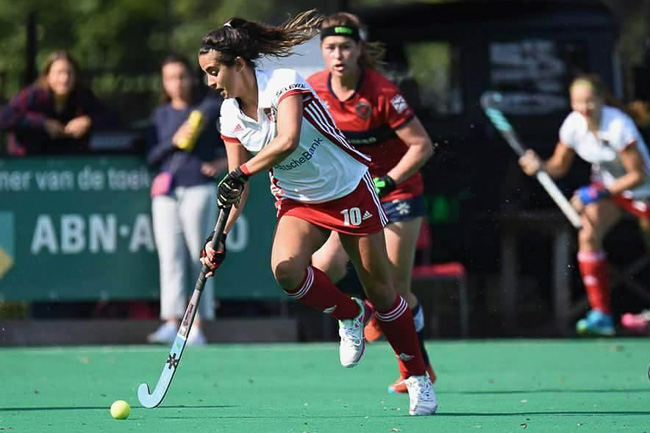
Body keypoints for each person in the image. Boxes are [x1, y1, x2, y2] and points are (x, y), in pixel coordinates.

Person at [197, 11, 437, 415]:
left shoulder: (284, 82)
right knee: (286, 270)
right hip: (299, 200)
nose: (210, 82)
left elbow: (288, 140)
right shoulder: (228, 115)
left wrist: (240, 171)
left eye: (213, 71)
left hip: (348, 189)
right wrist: (216, 238)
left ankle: (417, 378)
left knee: (382, 290)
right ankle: (349, 313)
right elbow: (239, 187)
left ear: (238, 65)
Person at [307, 13, 436, 394]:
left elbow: (422, 146)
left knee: (393, 287)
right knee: (323, 266)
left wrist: (389, 180)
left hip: (397, 192)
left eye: (346, 47)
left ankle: (418, 369)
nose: (338, 55)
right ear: (322, 52)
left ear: (359, 50)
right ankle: (360, 308)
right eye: (330, 48)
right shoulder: (313, 89)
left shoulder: (382, 93)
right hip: (350, 195)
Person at [519, 74, 650, 336]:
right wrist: (539, 166)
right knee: (588, 235)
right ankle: (601, 314)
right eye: (578, 102)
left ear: (602, 100)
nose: (584, 108)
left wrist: (599, 191)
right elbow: (558, 166)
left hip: (644, 189)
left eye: (589, 102)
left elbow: (639, 175)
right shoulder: (573, 125)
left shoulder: (618, 126)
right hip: (610, 192)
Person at [146, 53, 227, 346]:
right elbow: (151, 155)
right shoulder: (160, 115)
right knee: (170, 258)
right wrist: (174, 140)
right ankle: (170, 321)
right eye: (170, 78)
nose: (176, 84)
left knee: (200, 257)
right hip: (165, 194)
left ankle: (197, 326)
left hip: (199, 189)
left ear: (192, 78)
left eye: (181, 76)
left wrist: (220, 166)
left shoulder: (210, 107)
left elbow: (235, 144)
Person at [0, 50, 107, 156]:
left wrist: (88, 121)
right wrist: (43, 124)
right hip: (29, 164)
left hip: (71, 164)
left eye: (69, 73)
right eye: (59, 73)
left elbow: (109, 117)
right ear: (47, 76)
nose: (64, 79)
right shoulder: (33, 96)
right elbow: (4, 117)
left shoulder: (83, 97)